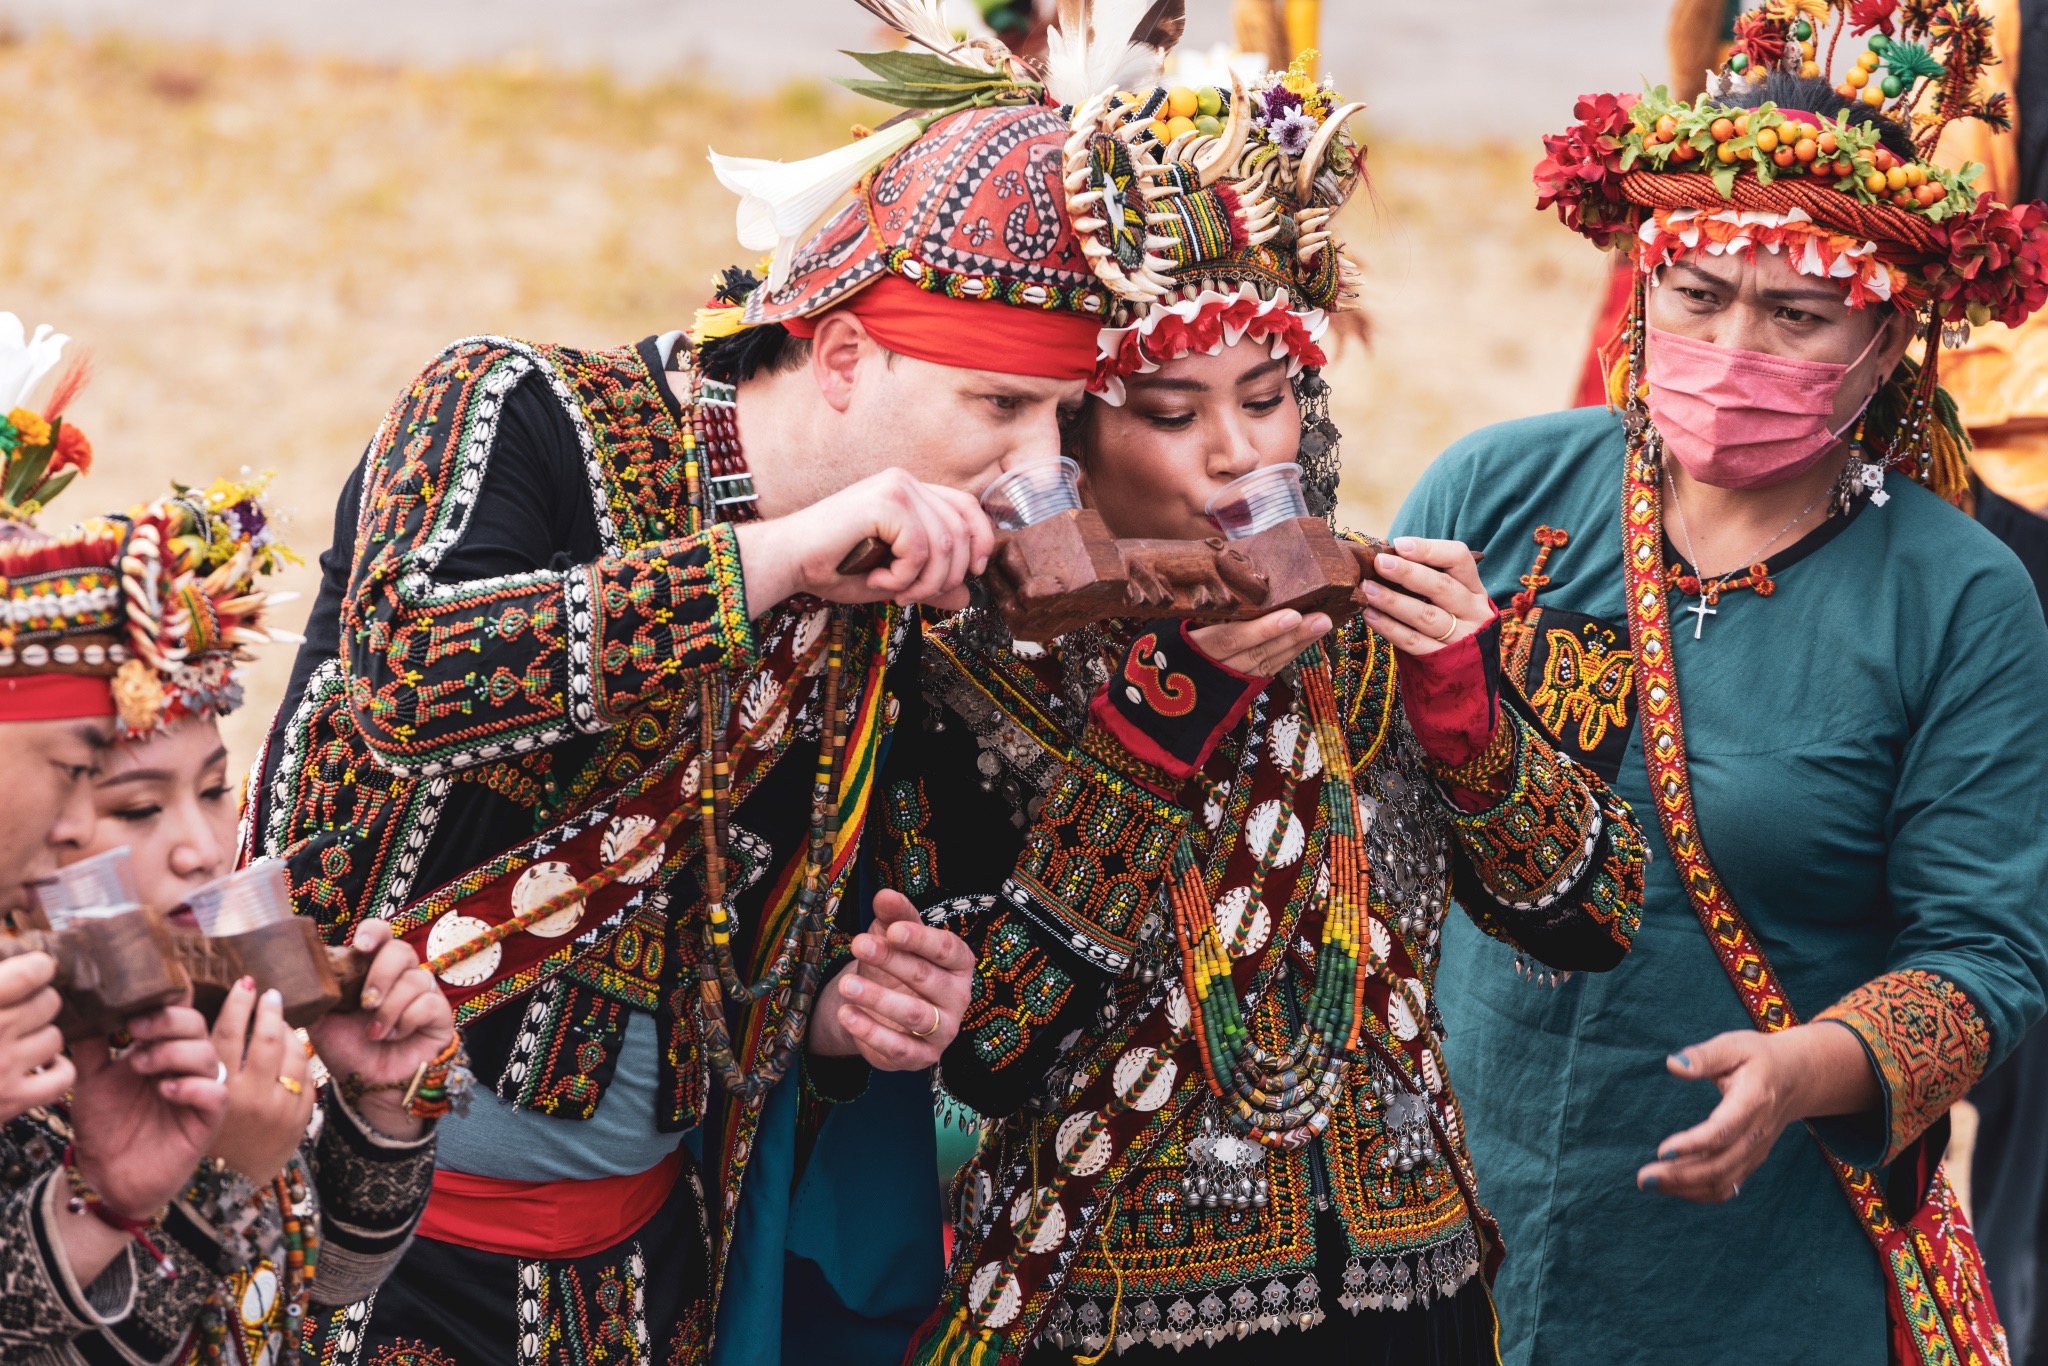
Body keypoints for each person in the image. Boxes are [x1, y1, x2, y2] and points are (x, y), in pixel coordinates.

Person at [245, 5, 1125, 1358]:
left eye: (1054, 418)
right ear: (840, 357)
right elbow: (411, 675)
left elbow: (742, 949)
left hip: (646, 1273)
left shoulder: (894, 595)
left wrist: (844, 1013)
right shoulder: (512, 404)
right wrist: (769, 561)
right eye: (998, 407)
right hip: (352, 1241)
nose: (1029, 461)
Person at [877, 56, 1646, 1365]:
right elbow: (981, 1049)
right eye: (1173, 410)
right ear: (1067, 434)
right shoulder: (966, 661)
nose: (1241, 452)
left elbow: (1595, 911)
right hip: (1116, 1310)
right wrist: (1174, 710)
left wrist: (1469, 714)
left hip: (1413, 1298)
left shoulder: (1364, 638)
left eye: (1270, 397)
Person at [1395, 6, 2048, 1361]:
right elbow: (1355, 822)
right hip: (1453, 1215)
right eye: (1698, 294)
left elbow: (1987, 961)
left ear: (1887, 340)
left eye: (1797, 312)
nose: (1735, 342)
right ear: (1644, 285)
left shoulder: (1960, 594)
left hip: (1764, 1271)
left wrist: (1803, 1072)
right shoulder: (1495, 493)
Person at [37, 477, 455, 1366]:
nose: (200, 847)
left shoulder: (220, 975)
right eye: (139, 810)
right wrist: (223, 1175)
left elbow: (330, 1276)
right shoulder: (21, 1057)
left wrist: (381, 1108)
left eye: (215, 788)